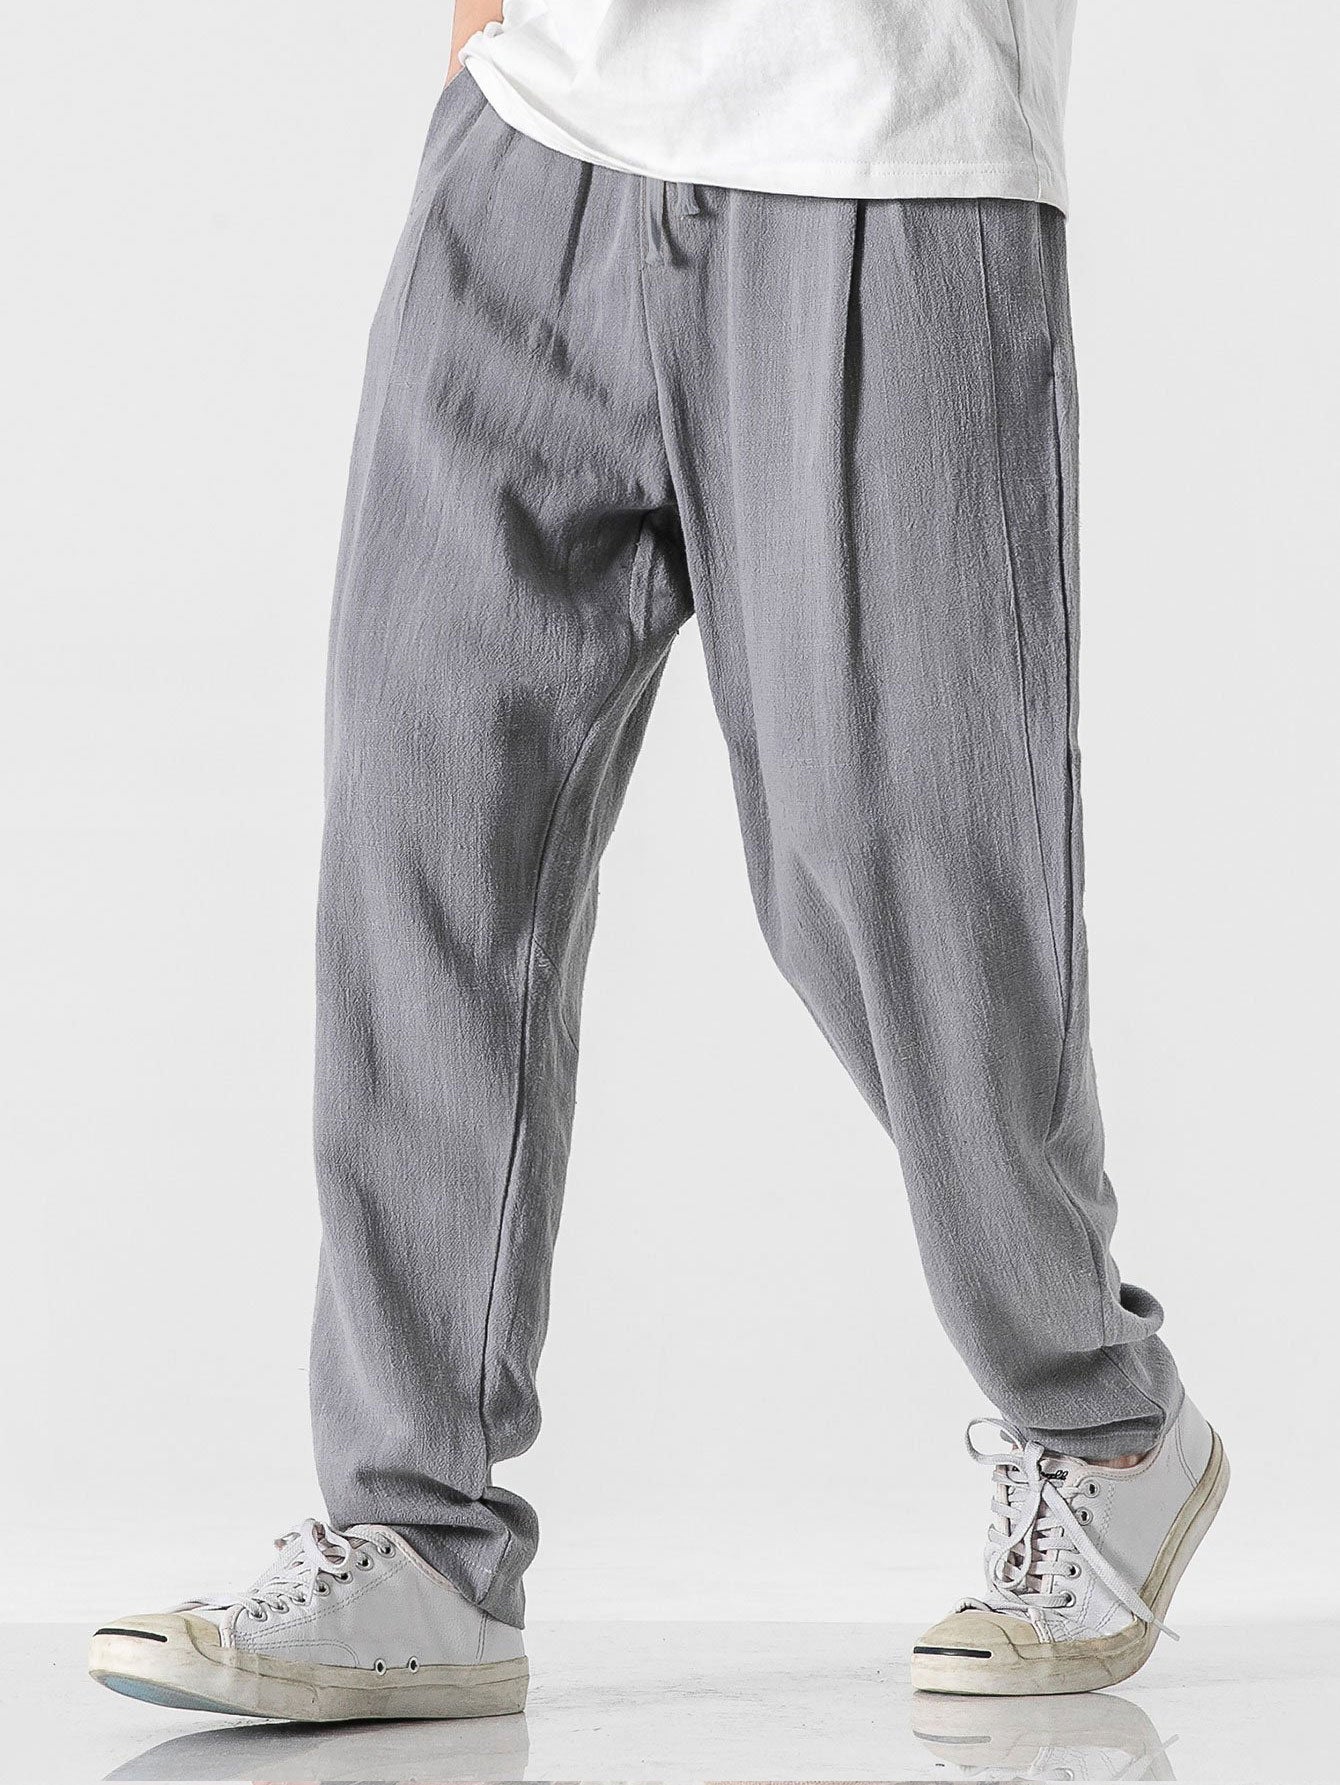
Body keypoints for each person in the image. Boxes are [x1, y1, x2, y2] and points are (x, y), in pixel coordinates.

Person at [88, 0, 1228, 1721]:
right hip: (535, 147)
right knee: (424, 828)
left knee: (898, 857)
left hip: (883, 153)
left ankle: (1103, 1419)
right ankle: (416, 1535)